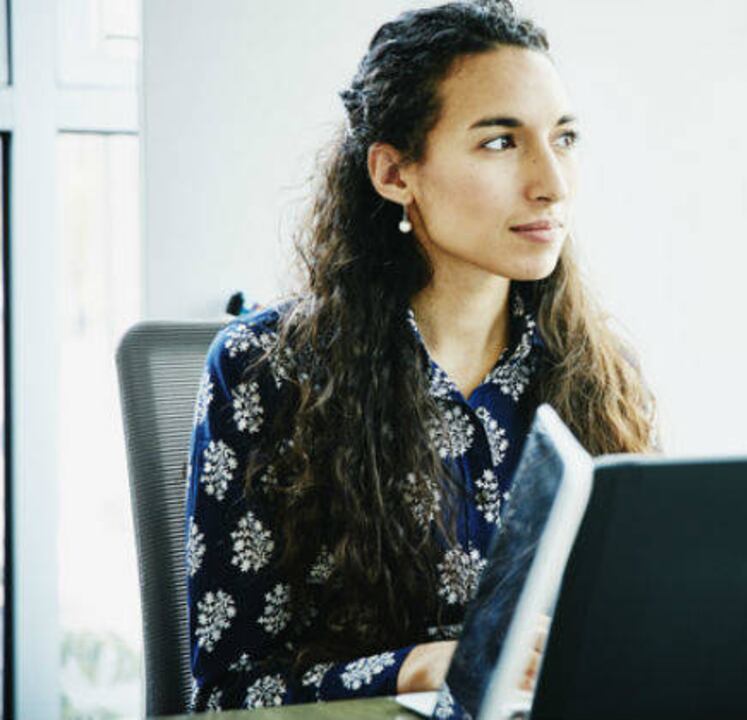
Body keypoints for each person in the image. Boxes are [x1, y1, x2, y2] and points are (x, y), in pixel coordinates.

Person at [183, 1, 658, 710]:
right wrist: (415, 668)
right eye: (500, 143)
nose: (553, 183)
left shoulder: (598, 369)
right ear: (393, 173)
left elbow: (639, 634)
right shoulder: (264, 369)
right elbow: (231, 693)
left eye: (564, 138)